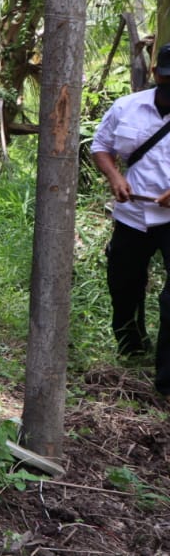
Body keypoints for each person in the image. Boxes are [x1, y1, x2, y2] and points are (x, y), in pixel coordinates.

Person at [92, 44, 170, 398]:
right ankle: (131, 346)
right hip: (133, 215)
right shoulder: (127, 107)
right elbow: (101, 146)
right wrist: (114, 177)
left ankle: (165, 379)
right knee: (124, 283)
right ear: (156, 74)